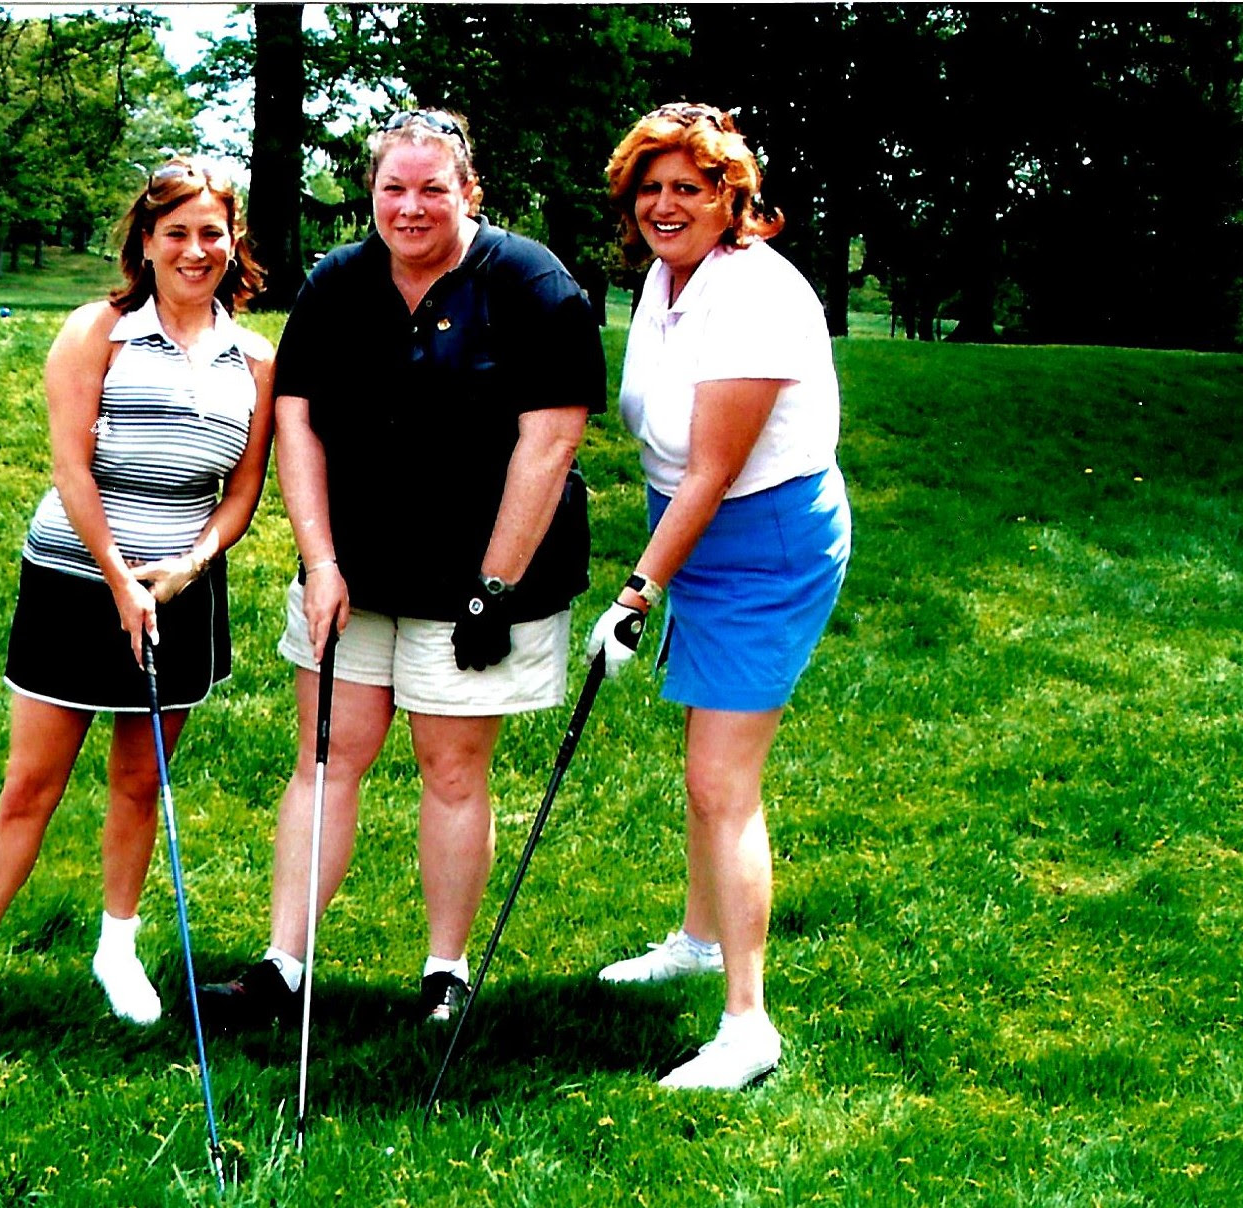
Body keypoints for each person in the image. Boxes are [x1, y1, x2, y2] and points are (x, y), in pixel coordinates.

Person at [201, 109, 604, 1027]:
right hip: (355, 571)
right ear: (371, 193)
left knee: (452, 768)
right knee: (326, 756)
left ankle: (445, 971)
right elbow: (296, 420)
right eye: (393, 188)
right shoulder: (338, 281)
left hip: (484, 577)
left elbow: (548, 444)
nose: (410, 206)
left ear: (470, 193)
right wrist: (319, 560)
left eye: (433, 188)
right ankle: (283, 964)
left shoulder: (532, 281)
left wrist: (491, 590)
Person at [0, 158, 276, 1056]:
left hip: (181, 587)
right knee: (31, 784)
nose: (195, 250)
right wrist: (116, 576)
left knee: (140, 780)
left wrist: (184, 568)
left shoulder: (257, 356)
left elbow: (244, 490)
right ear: (144, 243)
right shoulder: (95, 332)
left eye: (211, 233)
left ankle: (117, 950)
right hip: (75, 580)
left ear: (235, 244)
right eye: (175, 232)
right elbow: (72, 468)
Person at [587, 103, 851, 1090]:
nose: (665, 205)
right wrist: (658, 566)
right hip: (696, 522)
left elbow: (713, 467)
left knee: (720, 778)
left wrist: (636, 590)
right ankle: (698, 940)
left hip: (763, 538)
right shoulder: (666, 276)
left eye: (688, 188)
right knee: (706, 755)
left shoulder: (755, 296)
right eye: (649, 188)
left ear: (730, 195)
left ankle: (749, 1026)